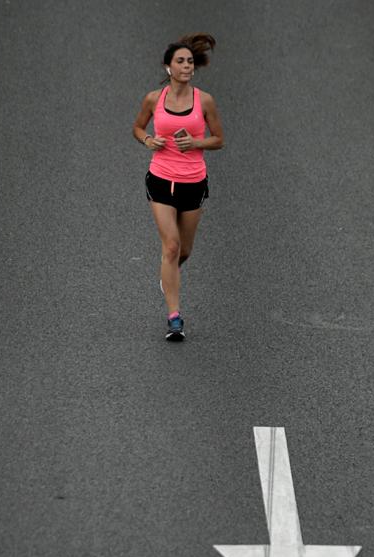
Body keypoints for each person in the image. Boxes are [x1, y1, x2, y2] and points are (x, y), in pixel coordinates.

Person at [132, 33, 224, 341]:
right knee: (170, 246)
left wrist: (196, 142)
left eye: (189, 62)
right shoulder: (153, 99)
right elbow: (137, 126)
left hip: (193, 182)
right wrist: (148, 140)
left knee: (184, 250)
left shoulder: (204, 101)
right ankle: (174, 317)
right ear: (168, 67)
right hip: (160, 179)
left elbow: (219, 139)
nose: (186, 66)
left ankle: (168, 273)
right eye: (180, 62)